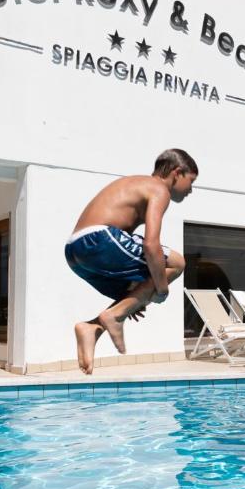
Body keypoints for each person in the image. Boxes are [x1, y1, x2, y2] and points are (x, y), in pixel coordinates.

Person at [65, 148, 198, 374]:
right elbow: (151, 245)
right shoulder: (158, 189)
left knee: (134, 291)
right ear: (177, 173)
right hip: (98, 240)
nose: (191, 190)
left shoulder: (136, 184)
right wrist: (162, 289)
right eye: (191, 181)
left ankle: (92, 328)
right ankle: (115, 315)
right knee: (177, 263)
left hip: (75, 252)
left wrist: (136, 297)